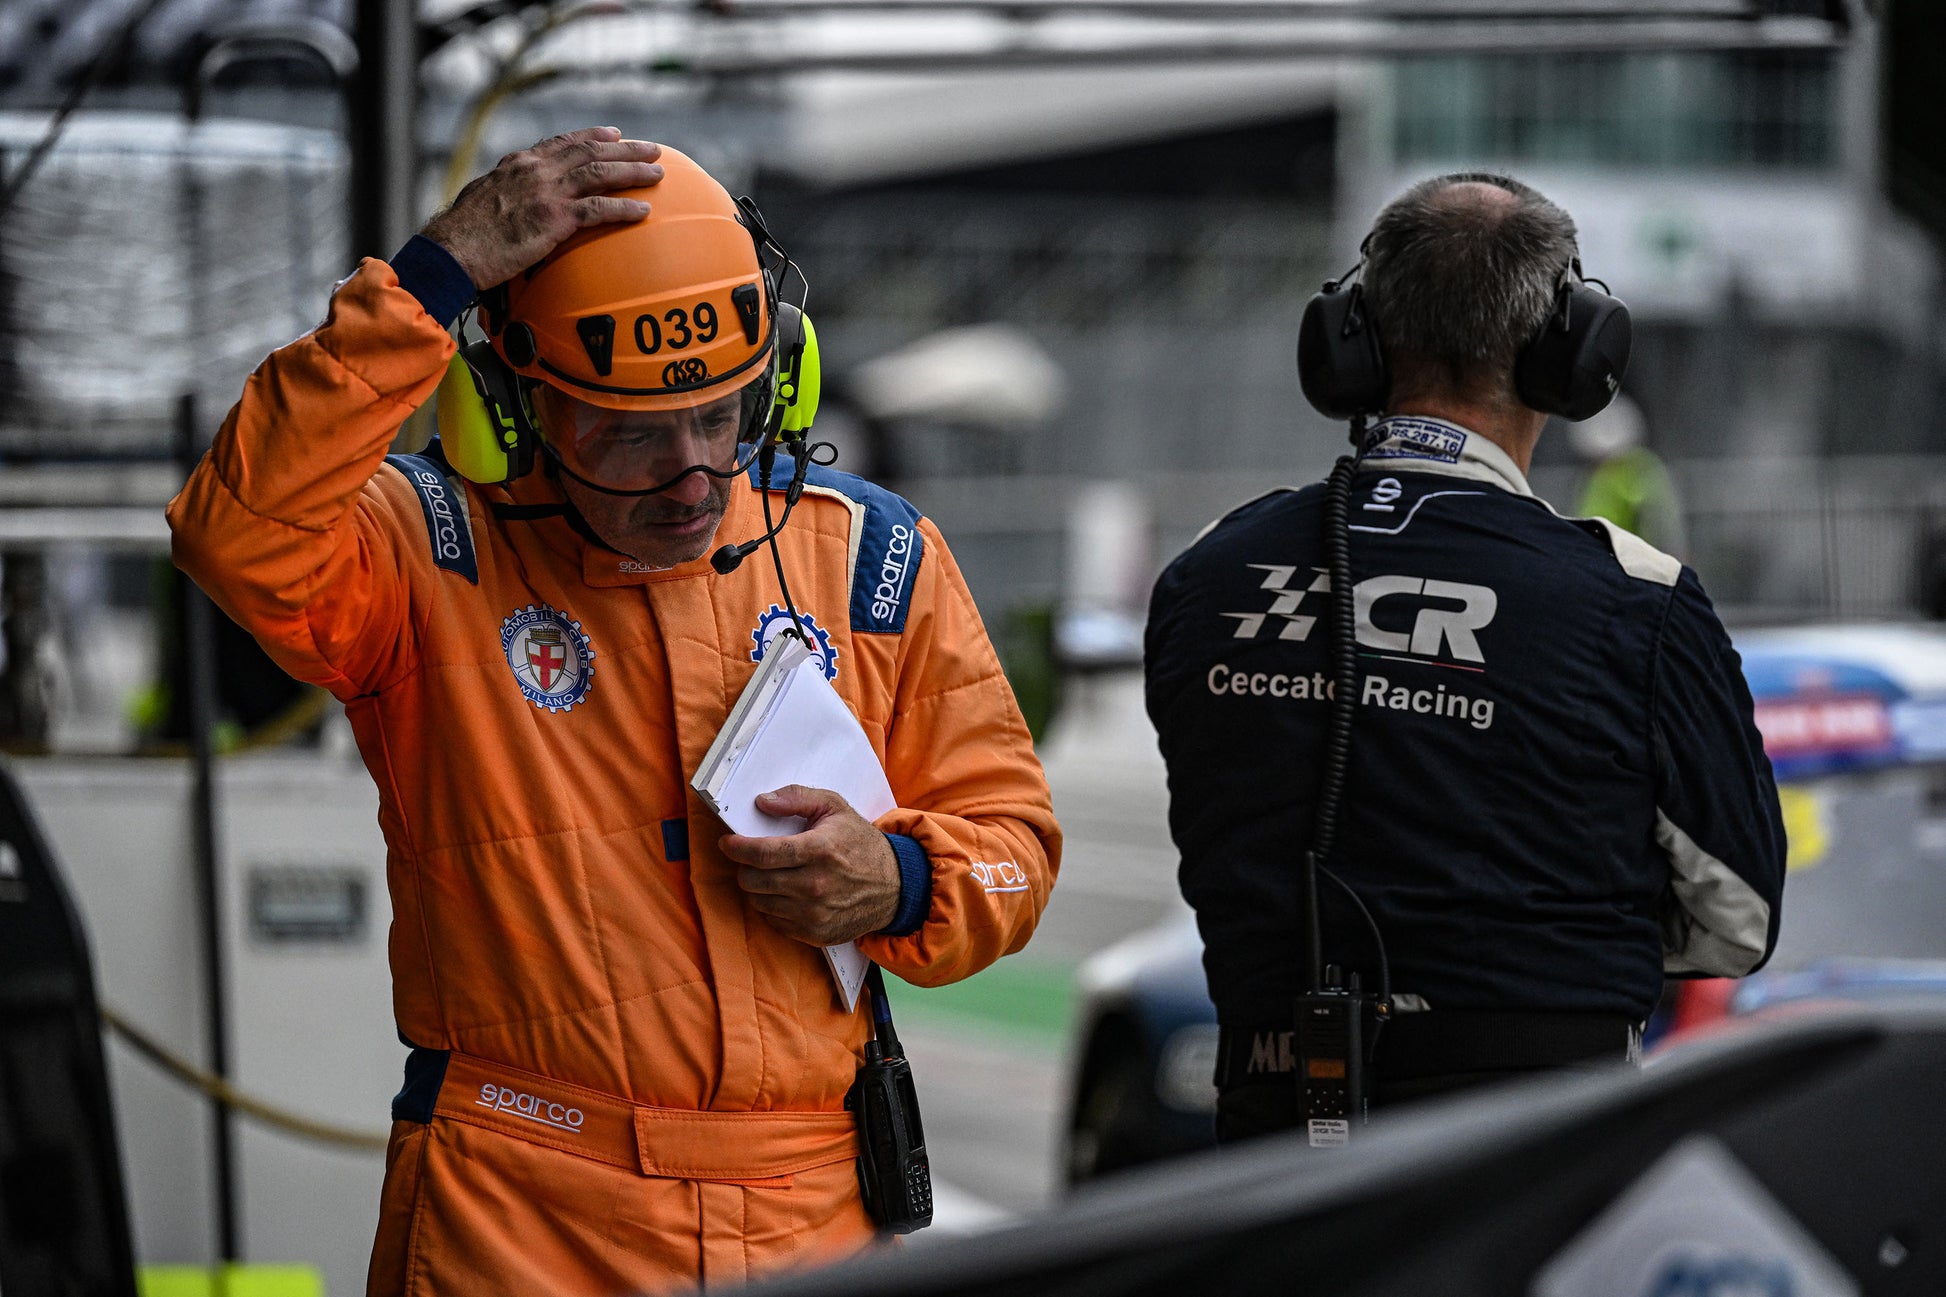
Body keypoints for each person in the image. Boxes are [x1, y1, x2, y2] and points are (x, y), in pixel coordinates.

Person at [167, 128, 1060, 1295]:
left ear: (779, 379)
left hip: (814, 1215)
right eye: (630, 432)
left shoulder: (871, 556)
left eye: (721, 415)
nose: (689, 474)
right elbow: (238, 532)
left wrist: (895, 880)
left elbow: (1014, 850)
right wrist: (435, 275)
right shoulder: (425, 550)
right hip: (520, 1215)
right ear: (515, 406)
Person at [1144, 173, 1784, 1141]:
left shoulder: (1211, 569)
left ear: (1351, 340)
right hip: (1531, 1149)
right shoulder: (1636, 597)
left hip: (1271, 1139)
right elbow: (1737, 916)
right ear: (1568, 351)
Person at [1569, 391, 1688, 559]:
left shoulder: (1641, 468)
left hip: (1636, 559)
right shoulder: (1595, 478)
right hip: (1610, 558)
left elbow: (1659, 520)